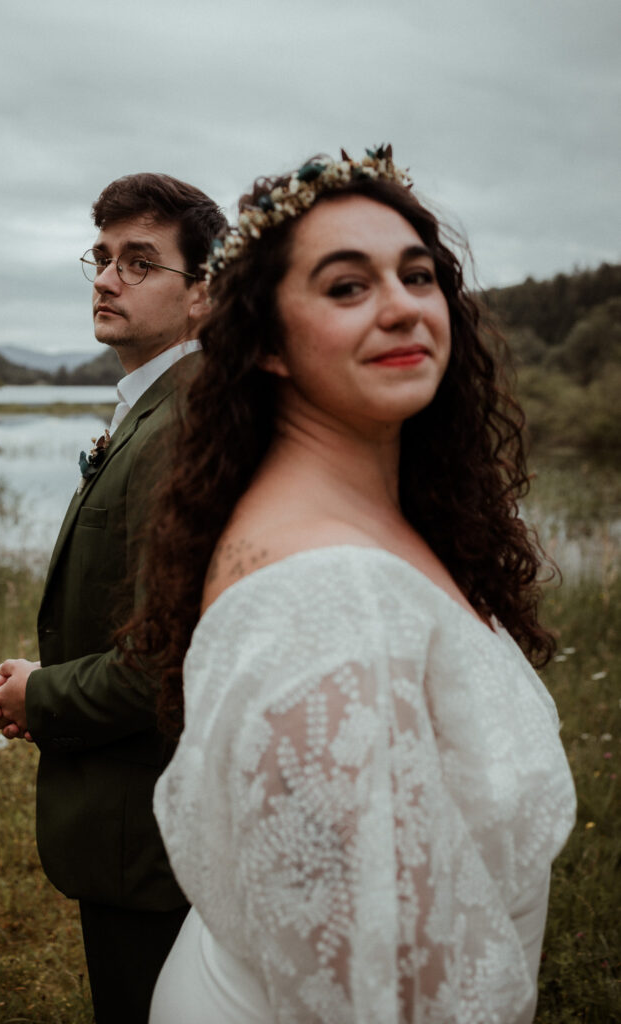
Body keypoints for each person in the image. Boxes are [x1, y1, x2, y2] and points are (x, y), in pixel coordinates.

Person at [122, 147, 577, 1023]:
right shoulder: (324, 600)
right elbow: (371, 989)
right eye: (345, 287)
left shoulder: (378, 513)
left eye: (416, 275)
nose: (402, 307)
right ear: (264, 343)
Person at [0, 172, 227, 1024]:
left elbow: (174, 661)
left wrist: (38, 695)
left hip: (152, 836)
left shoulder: (186, 428)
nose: (104, 278)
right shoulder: (152, 409)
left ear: (202, 295)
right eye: (101, 257)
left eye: (137, 262)